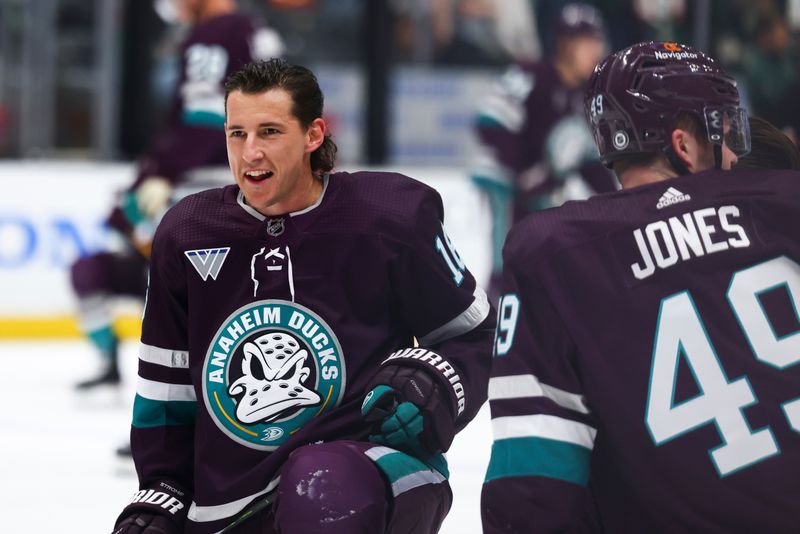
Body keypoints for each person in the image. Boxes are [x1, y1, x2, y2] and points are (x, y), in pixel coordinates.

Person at [111, 58, 495, 534]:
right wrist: (162, 493)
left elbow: (477, 335)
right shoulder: (187, 232)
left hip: (371, 471)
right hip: (230, 501)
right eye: (237, 134)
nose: (249, 152)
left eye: (269, 132)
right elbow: (167, 391)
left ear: (313, 135)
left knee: (320, 485)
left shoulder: (388, 218)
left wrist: (439, 382)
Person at [482, 41, 800, 533]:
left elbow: (531, 487)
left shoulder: (554, 253)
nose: (737, 150)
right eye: (725, 130)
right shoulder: (782, 203)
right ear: (685, 144)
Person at [71, 0, 283, 390]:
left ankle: (178, 425)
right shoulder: (255, 30)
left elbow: (203, 121)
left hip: (209, 185)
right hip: (254, 187)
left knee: (183, 306)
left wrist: (158, 176)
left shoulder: (215, 34)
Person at [470, 2, 615, 300]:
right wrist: (523, 171)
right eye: (584, 42)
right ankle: (501, 287)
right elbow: (491, 120)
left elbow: (587, 158)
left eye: (596, 41)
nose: (593, 51)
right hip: (505, 172)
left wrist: (614, 204)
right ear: (563, 45)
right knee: (510, 216)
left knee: (547, 234)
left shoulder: (586, 96)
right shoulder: (532, 74)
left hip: (542, 179)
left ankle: (530, 291)